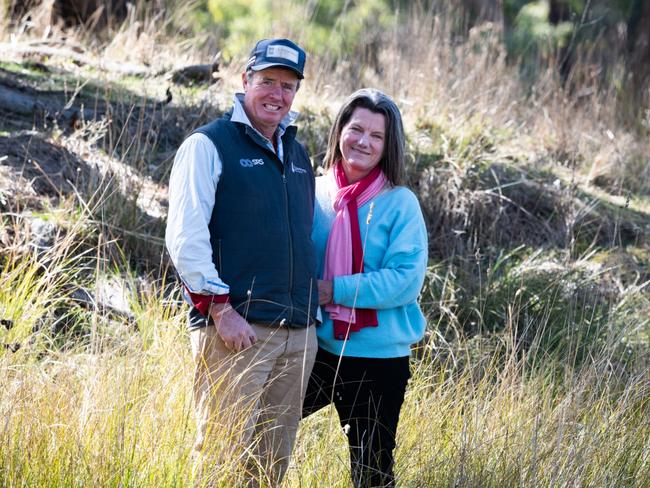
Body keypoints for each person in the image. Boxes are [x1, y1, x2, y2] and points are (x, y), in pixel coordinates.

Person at [165, 38, 319, 486]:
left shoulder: (298, 153)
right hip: (239, 332)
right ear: (245, 80)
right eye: (267, 81)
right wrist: (219, 309)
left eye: (288, 86)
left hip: (298, 334)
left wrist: (312, 318)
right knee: (220, 456)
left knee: (271, 466)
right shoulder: (209, 145)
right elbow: (185, 238)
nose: (277, 94)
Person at [303, 88, 428, 487]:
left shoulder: (400, 203)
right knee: (263, 429)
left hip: (377, 359)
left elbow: (405, 281)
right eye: (356, 129)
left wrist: (333, 290)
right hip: (312, 346)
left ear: (388, 145)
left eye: (377, 136)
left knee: (371, 470)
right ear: (340, 129)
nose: (364, 141)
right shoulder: (313, 190)